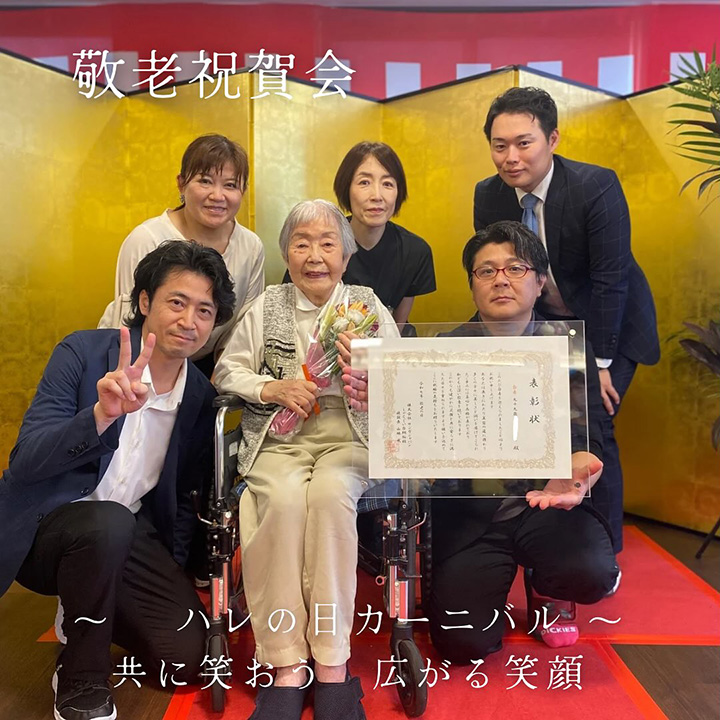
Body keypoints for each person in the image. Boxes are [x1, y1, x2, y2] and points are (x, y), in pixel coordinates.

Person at [0, 241, 236, 720]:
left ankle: (86, 605)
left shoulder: (199, 396)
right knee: (105, 523)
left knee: (187, 659)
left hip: (126, 532)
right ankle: (80, 677)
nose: (189, 320)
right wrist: (99, 418)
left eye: (204, 311)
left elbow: (182, 501)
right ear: (145, 301)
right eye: (176, 302)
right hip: (47, 529)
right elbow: (25, 463)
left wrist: (170, 578)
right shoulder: (82, 352)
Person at [214, 199, 399, 720]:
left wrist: (371, 377)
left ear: (346, 255)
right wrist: (270, 387)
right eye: (301, 243)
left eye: (327, 243)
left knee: (330, 495)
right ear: (286, 253)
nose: (314, 256)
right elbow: (226, 371)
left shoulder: (365, 304)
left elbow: (402, 372)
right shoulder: (267, 305)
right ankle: (287, 663)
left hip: (351, 434)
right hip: (281, 436)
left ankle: (333, 662)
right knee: (283, 501)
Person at [473, 87, 660, 552]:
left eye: (524, 143)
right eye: (499, 145)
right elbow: (496, 271)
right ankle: (546, 537)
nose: (511, 157)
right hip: (546, 327)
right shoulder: (488, 194)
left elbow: (611, 279)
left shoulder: (595, 186)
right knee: (544, 427)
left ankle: (605, 553)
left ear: (552, 139)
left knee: (595, 431)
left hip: (609, 322)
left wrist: (600, 364)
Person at [427, 221, 619, 663]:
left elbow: (590, 437)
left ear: (540, 282)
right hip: (474, 516)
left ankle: (548, 590)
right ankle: (486, 597)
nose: (501, 280)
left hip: (547, 504)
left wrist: (577, 474)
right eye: (486, 270)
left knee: (591, 572)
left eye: (515, 268)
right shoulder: (444, 349)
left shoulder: (569, 348)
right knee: (462, 644)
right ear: (472, 284)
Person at [99, 133, 264, 367]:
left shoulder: (251, 246)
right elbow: (129, 321)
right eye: (205, 181)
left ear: (243, 191)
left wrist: (218, 380)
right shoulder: (145, 240)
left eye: (230, 185)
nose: (217, 196)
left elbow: (242, 329)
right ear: (181, 183)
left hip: (215, 368)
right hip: (142, 363)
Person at [284, 141, 436, 329]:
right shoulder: (319, 244)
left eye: (387, 184)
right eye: (364, 182)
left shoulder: (415, 251)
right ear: (346, 188)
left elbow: (397, 327)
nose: (377, 196)